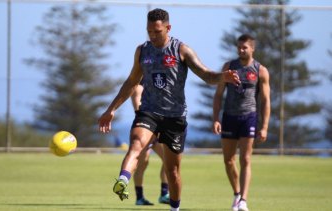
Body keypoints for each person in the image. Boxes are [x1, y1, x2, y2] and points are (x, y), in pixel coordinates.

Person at [98, 8, 240, 211]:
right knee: (137, 144)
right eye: (150, 32)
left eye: (157, 31)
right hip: (149, 111)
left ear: (168, 27)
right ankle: (122, 180)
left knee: (173, 171)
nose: (153, 36)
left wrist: (222, 76)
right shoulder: (142, 51)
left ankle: (175, 208)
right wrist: (111, 109)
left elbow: (206, 75)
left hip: (175, 117)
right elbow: (131, 82)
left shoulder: (181, 50)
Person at [212, 34, 271, 211]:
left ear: (252, 48)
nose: (241, 50)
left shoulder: (260, 70)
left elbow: (266, 100)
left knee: (245, 159)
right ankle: (237, 194)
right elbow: (218, 95)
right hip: (229, 117)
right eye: (239, 47)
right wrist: (216, 118)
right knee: (229, 161)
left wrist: (265, 126)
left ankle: (244, 200)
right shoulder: (229, 67)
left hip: (249, 117)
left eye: (245, 47)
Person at [131, 83, 170, 206]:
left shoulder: (156, 85)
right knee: (143, 164)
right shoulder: (138, 87)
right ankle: (139, 197)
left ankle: (164, 194)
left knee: (168, 160)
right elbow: (138, 109)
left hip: (158, 128)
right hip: (145, 129)